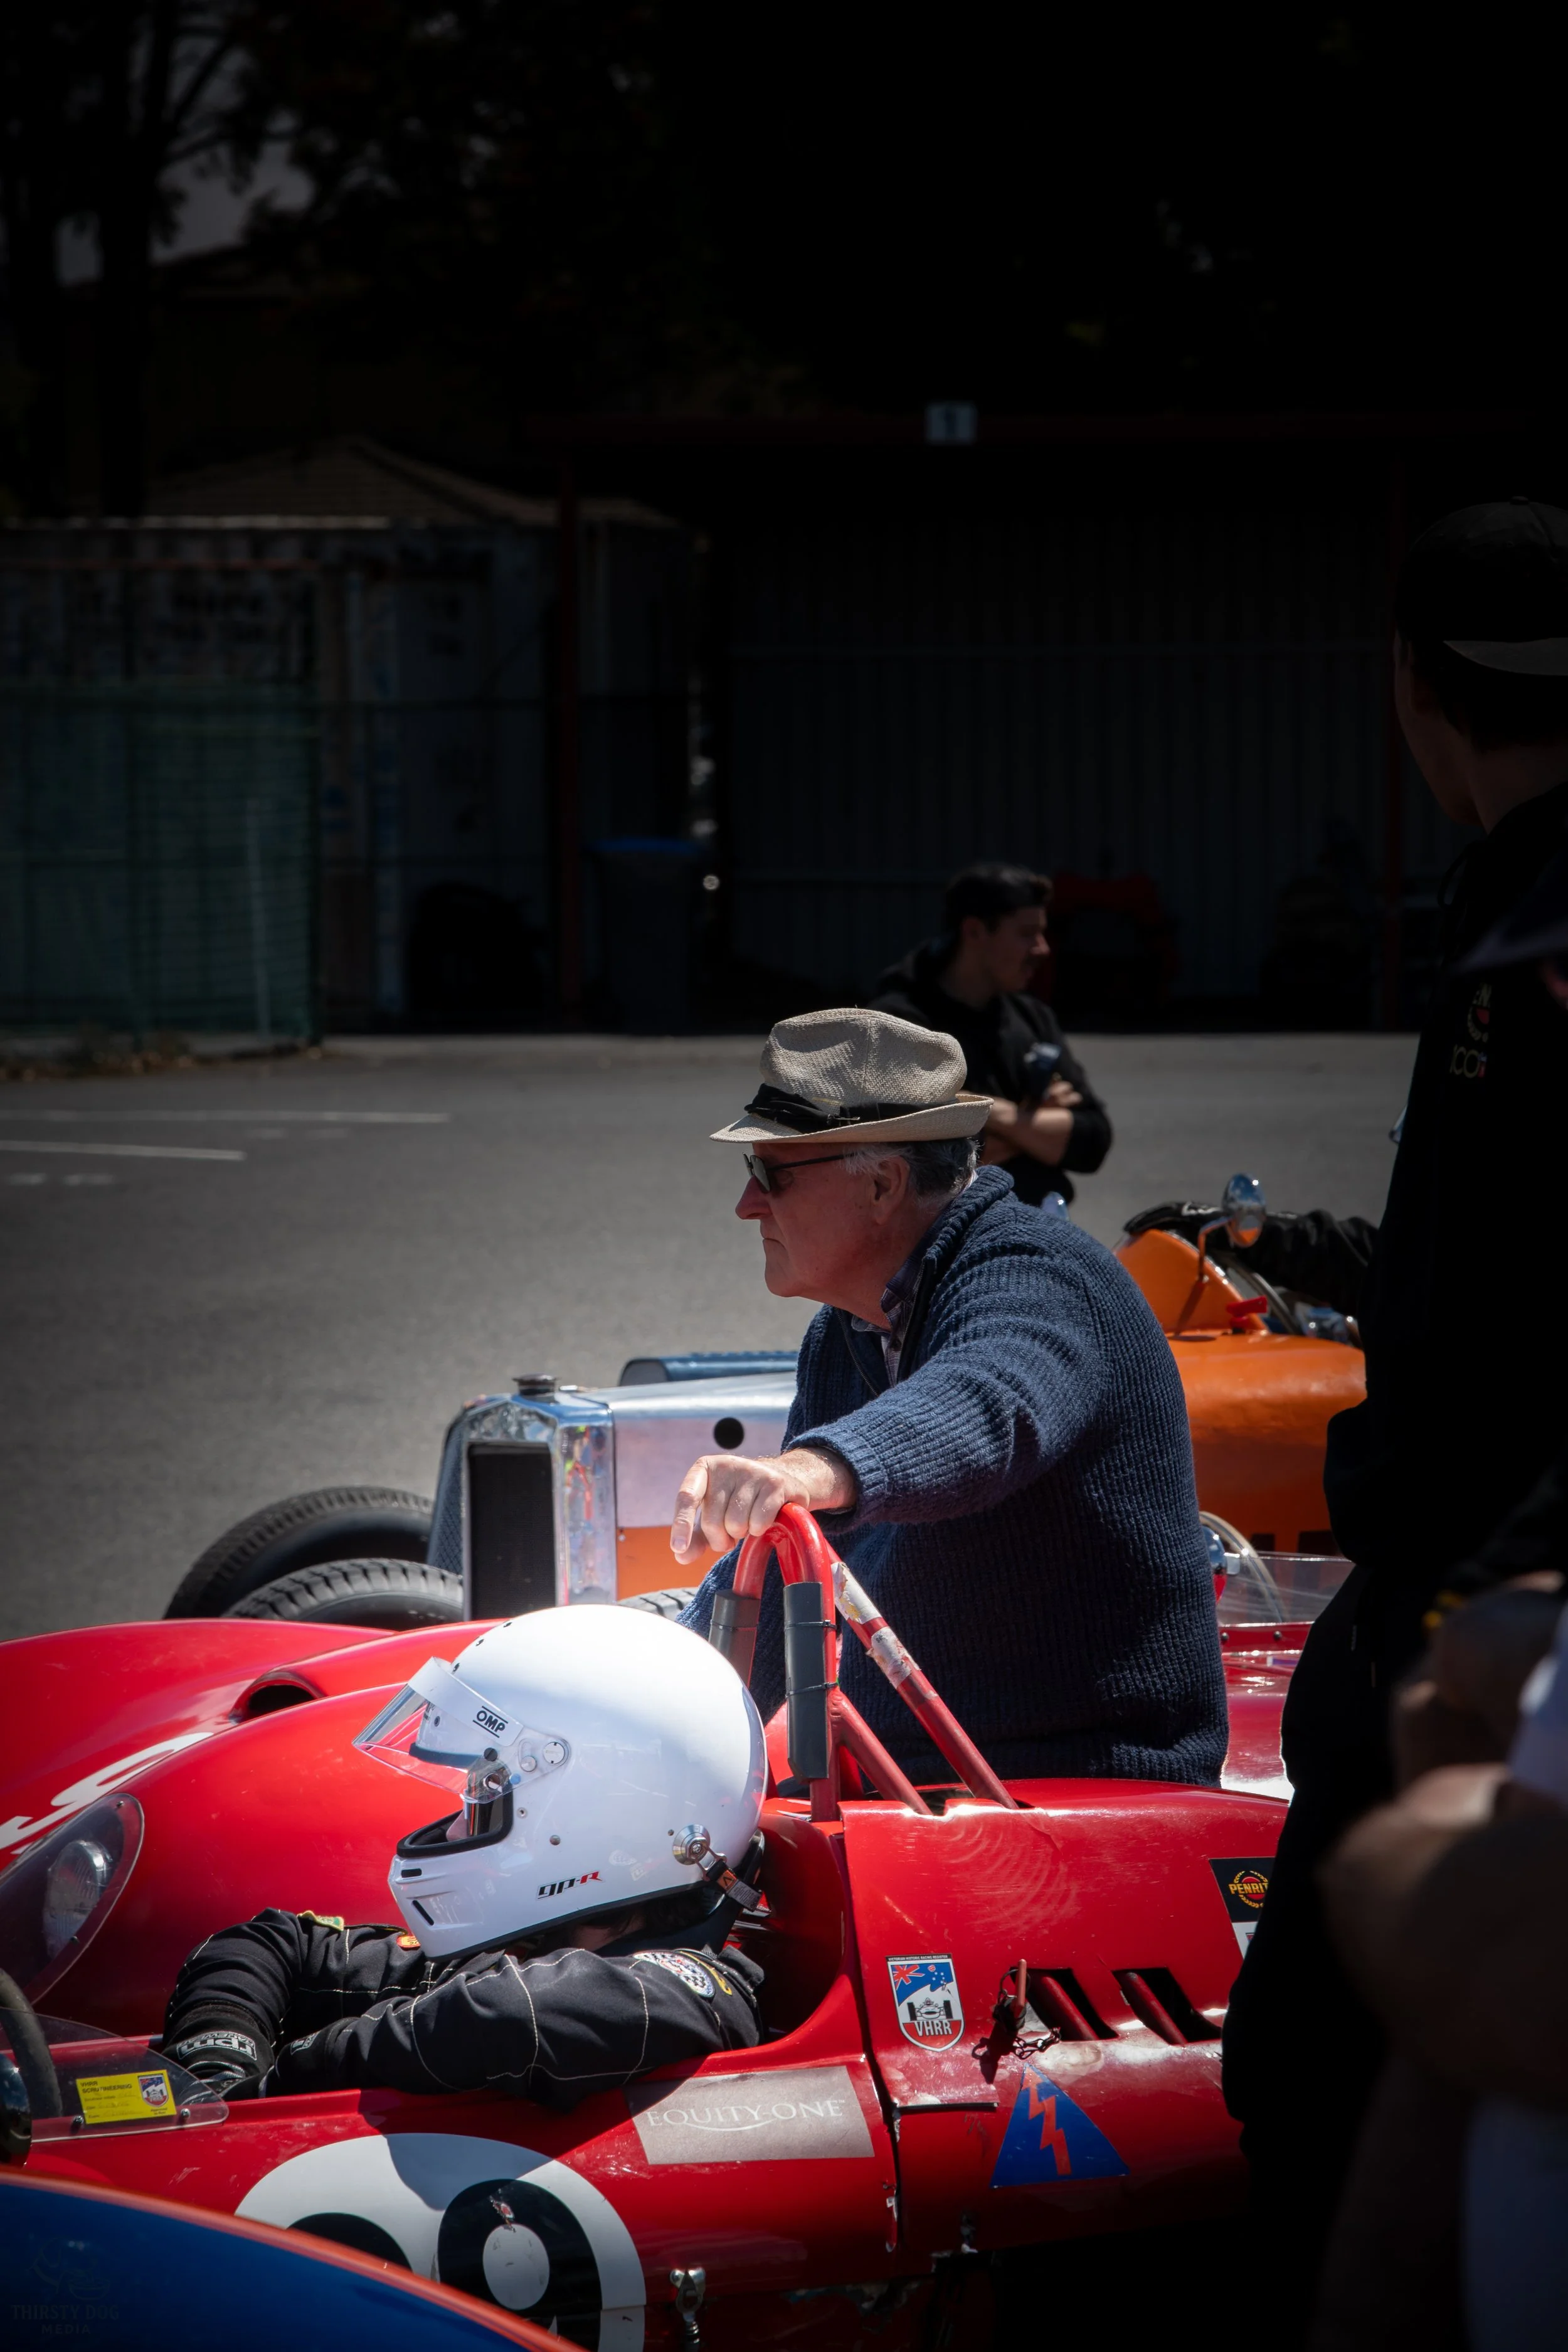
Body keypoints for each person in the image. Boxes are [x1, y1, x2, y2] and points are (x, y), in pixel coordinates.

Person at [1222, 498, 1568, 2297]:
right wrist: (1291, 1239)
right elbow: (1477, 1265)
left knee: (1319, 2082)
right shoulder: (1504, 905)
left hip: (1486, 1625)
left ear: (1411, 687)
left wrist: (1482, 1596)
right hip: (1466, 1604)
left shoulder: (1542, 925)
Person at [672, 1006, 1226, 1787]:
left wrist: (809, 1470)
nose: (746, 1205)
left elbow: (985, 1404)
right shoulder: (845, 1330)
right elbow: (791, 1574)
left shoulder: (1039, 1273)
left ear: (883, 1184)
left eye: (771, 1173)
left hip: (1069, 1781)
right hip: (920, 1777)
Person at [162, 1607, 766, 2104]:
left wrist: (277, 2088)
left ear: (591, 1817)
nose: (454, 1834)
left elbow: (504, 2014)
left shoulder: (696, 1990)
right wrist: (215, 2069)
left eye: (482, 1802)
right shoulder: (540, 1947)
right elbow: (274, 1945)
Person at [869, 862, 1111, 1208]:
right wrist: (1034, 1123)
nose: (1042, 949)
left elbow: (1092, 1141)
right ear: (974, 932)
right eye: (1027, 934)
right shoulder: (900, 1022)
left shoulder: (1033, 1017)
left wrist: (987, 1113)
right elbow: (930, 1160)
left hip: (1036, 1220)